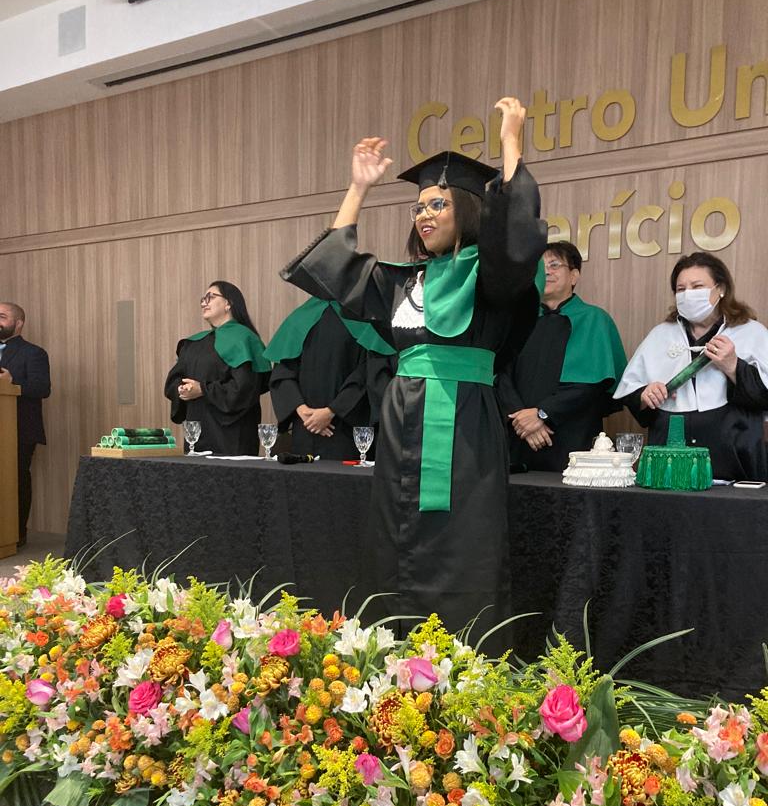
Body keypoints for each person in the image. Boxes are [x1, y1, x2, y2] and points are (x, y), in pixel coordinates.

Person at [281, 97, 547, 631]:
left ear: (467, 209)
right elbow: (335, 270)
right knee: (396, 536)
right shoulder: (403, 282)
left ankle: (463, 657)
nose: (424, 215)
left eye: (438, 204)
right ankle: (395, 651)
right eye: (418, 207)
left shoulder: (490, 277)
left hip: (466, 425)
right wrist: (358, 188)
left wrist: (511, 144)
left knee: (463, 540)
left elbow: (516, 239)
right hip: (403, 424)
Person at [614, 252, 768, 481]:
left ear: (721, 289)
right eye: (681, 289)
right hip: (670, 458)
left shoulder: (751, 332)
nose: (688, 294)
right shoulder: (660, 335)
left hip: (734, 456)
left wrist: (733, 366)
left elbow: (764, 395)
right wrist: (645, 394)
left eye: (697, 286)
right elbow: (632, 392)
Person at [496, 241, 627, 471]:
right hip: (518, 439)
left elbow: (590, 385)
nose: (546, 272)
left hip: (572, 441)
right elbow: (500, 375)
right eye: (540, 267)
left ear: (574, 276)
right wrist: (521, 420)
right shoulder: (517, 319)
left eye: (554, 265)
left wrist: (541, 415)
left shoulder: (593, 319)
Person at [265, 297, 395, 460]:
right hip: (339, 425)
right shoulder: (365, 318)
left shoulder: (299, 317)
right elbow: (368, 374)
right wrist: (330, 411)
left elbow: (283, 372)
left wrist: (305, 410)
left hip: (314, 427)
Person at [164, 281, 271, 455]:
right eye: (203, 299)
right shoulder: (193, 343)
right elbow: (174, 380)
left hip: (232, 435)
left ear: (228, 303)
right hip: (196, 434)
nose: (204, 303)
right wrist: (181, 389)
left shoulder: (244, 339)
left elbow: (245, 388)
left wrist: (203, 390)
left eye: (211, 297)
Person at [0, 302, 51, 548]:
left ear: (18, 323)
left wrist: (13, 382)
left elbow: (42, 388)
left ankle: (15, 533)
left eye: (2, 317)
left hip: (19, 430)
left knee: (16, 479)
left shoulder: (34, 353)